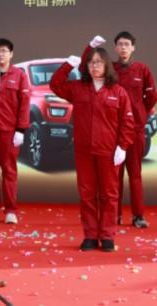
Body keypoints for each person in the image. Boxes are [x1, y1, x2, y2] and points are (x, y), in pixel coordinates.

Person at [50, 47, 134, 252]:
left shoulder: (118, 92)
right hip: (84, 151)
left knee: (109, 194)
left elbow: (127, 122)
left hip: (108, 151)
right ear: (86, 66)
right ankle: (90, 235)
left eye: (99, 62)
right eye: (91, 62)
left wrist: (122, 146)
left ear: (107, 65)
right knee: (87, 194)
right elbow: (55, 85)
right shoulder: (78, 88)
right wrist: (67, 66)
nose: (95, 66)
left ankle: (107, 235)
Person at [81, 33, 157, 228]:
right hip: (111, 131)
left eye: (127, 44)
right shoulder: (110, 68)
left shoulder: (142, 69)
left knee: (135, 174)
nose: (123, 47)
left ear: (133, 47)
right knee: (113, 177)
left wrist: (140, 113)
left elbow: (152, 97)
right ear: (115, 48)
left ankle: (138, 215)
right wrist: (89, 47)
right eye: (120, 44)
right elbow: (85, 68)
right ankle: (114, 215)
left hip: (135, 130)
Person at [0, 38, 31, 225]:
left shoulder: (19, 75)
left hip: (9, 131)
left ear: (11, 54)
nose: (0, 54)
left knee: (9, 171)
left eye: (4, 51)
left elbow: (25, 104)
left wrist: (21, 129)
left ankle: (11, 210)